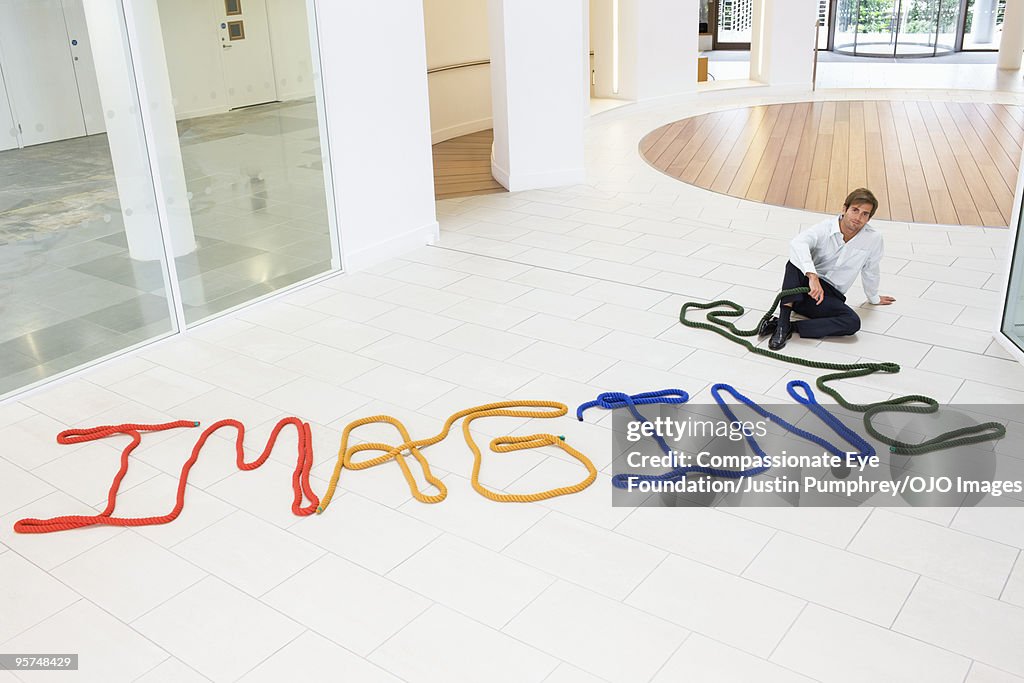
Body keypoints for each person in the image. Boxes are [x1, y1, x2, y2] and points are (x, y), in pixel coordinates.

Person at [760, 188, 896, 351]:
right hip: (802, 291)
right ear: (844, 209)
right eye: (855, 210)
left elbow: (871, 269)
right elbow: (798, 243)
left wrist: (873, 297)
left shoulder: (873, 239)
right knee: (794, 263)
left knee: (852, 322)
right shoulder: (824, 228)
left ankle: (790, 327)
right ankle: (782, 325)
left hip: (826, 298)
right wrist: (812, 276)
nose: (858, 217)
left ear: (869, 218)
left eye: (865, 214)